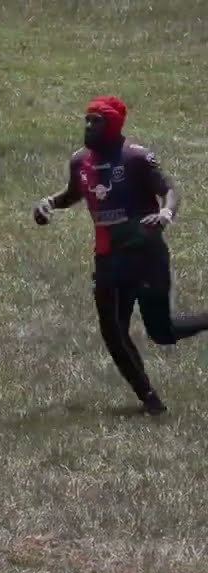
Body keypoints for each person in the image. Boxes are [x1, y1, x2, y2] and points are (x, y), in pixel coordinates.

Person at [33, 96, 208, 415]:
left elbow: (169, 190)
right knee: (113, 329)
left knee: (162, 332)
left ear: (112, 124)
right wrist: (48, 204)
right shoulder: (79, 161)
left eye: (96, 121)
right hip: (107, 258)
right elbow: (73, 194)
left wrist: (167, 213)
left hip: (145, 254)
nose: (88, 126)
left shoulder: (136, 157)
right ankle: (149, 399)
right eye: (86, 119)